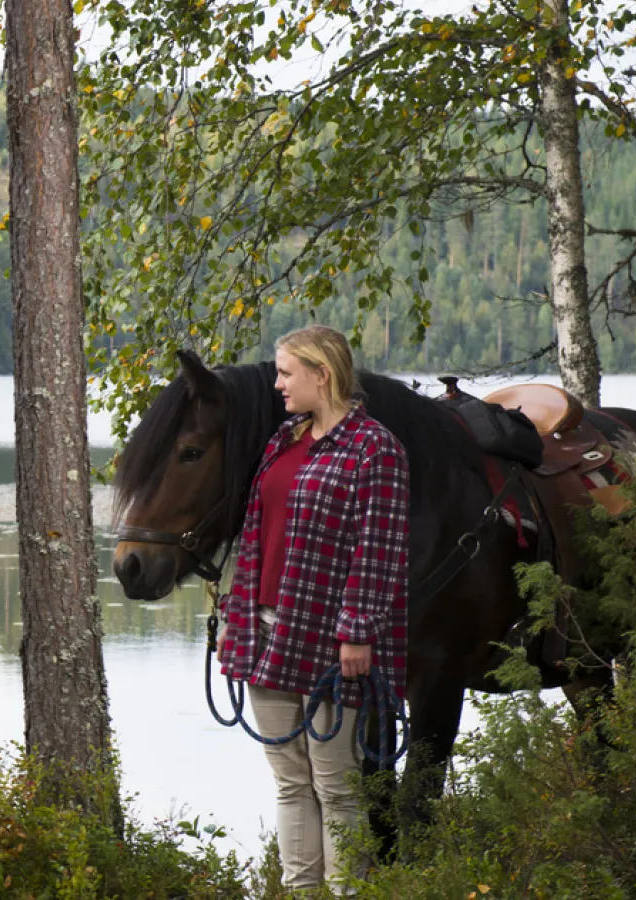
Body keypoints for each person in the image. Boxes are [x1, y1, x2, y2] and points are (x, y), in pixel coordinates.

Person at [216, 324, 411, 894]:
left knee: (337, 786)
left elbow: (379, 547)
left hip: (331, 644)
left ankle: (348, 892)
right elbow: (257, 536)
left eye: (286, 372)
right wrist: (237, 616)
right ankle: (300, 891)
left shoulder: (375, 448)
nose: (277, 384)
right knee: (289, 782)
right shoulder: (283, 441)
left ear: (321, 375)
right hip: (269, 632)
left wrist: (357, 631)